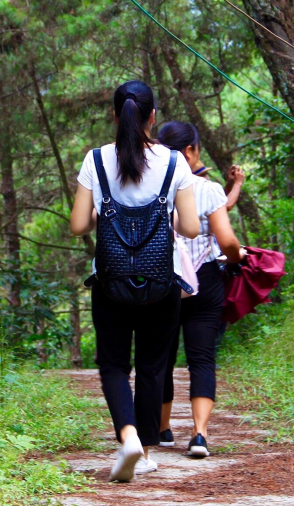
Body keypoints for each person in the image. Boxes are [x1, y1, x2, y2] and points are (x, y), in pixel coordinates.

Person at [70, 81, 200, 481]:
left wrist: (104, 215)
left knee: (112, 364)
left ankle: (126, 436)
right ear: (153, 117)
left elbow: (78, 225)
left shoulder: (95, 159)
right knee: (151, 366)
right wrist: (164, 218)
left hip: (111, 280)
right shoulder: (175, 162)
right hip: (161, 280)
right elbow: (191, 228)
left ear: (115, 115)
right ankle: (143, 450)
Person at [156, 121, 246, 458]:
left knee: (161, 358)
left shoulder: (149, 188)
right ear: (192, 150)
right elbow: (227, 241)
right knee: (202, 359)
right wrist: (237, 255)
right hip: (205, 282)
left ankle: (162, 430)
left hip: (162, 282)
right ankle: (199, 435)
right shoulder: (207, 188)